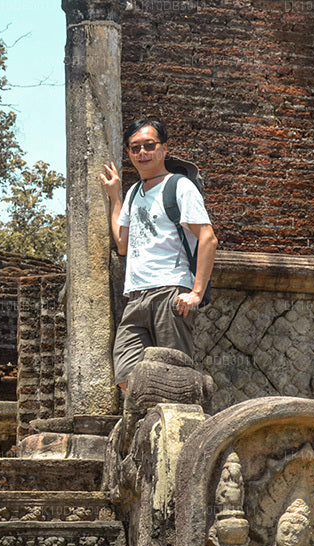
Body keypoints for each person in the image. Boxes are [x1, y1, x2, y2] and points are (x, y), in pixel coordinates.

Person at [99, 119, 219, 389]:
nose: (142, 153)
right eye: (135, 148)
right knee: (127, 377)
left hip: (170, 292)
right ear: (129, 153)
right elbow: (122, 244)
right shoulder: (133, 193)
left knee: (174, 378)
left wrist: (196, 293)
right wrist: (115, 197)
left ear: (164, 148)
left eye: (149, 146)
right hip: (136, 295)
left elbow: (208, 238)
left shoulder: (179, 187)